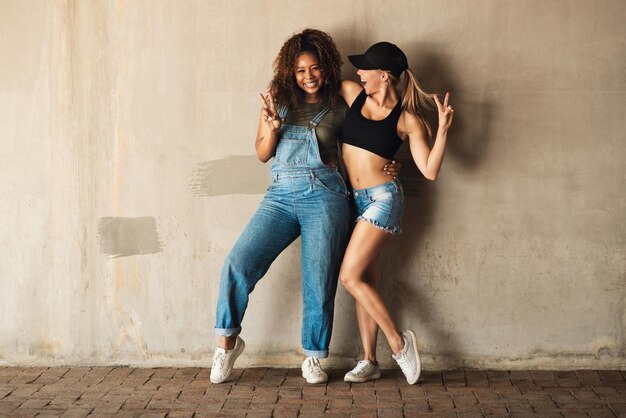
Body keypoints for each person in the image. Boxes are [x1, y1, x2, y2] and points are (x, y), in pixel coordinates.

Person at [209, 30, 400, 385]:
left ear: (326, 67)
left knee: (319, 278)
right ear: (290, 73)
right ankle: (226, 345)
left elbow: (380, 124)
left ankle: (313, 358)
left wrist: (389, 160)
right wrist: (270, 126)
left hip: (326, 195)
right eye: (300, 70)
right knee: (238, 263)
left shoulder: (343, 98)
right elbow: (263, 154)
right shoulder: (277, 100)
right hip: (279, 196)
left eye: (314, 68)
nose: (308, 76)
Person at [338, 42, 454, 384]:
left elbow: (430, 170)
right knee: (365, 280)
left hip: (383, 200)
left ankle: (400, 344)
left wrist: (443, 129)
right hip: (354, 200)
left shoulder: (407, 119)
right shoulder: (350, 93)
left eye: (365, 69)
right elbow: (311, 92)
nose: (358, 74)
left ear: (384, 76)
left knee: (350, 277)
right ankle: (369, 361)